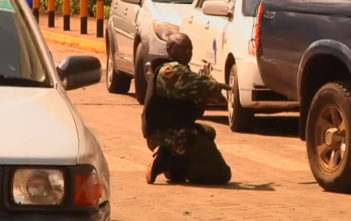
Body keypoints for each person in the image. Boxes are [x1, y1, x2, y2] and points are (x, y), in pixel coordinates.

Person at [142, 33, 231, 185]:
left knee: (208, 131)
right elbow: (202, 84)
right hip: (164, 133)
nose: (187, 52)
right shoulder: (169, 71)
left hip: (174, 128)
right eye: (182, 48)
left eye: (190, 48)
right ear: (169, 50)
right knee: (221, 174)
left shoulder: (182, 71)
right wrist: (215, 87)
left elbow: (195, 99)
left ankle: (173, 163)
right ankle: (169, 162)